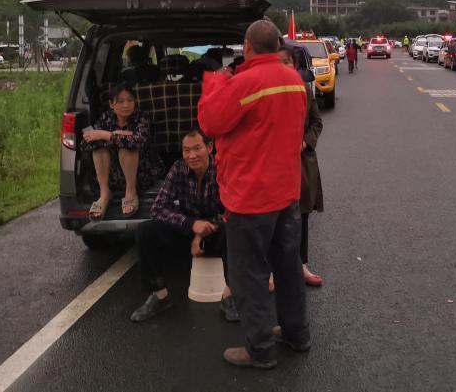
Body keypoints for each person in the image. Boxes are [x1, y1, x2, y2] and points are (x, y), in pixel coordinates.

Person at [198, 19, 311, 369]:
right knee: (288, 268)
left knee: (250, 276)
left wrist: (216, 81)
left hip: (250, 198)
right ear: (277, 46)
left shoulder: (246, 83)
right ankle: (296, 334)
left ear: (247, 47)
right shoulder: (295, 81)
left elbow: (210, 123)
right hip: (287, 193)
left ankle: (260, 349)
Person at [130, 126, 237, 322]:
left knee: (234, 228)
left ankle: (231, 296)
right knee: (145, 231)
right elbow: (158, 207)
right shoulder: (179, 168)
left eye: (197, 148)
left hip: (217, 231)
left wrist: (201, 232)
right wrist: (190, 224)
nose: (191, 155)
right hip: (187, 230)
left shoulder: (223, 168)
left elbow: (232, 210)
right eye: (186, 150)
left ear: (210, 147)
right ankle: (159, 296)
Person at [278, 43, 325, 287]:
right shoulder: (268, 93)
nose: (282, 67)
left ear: (294, 66)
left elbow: (317, 123)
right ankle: (273, 270)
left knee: (302, 214)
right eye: (278, 62)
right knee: (274, 217)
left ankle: (302, 264)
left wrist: (305, 143)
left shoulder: (305, 91)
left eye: (286, 62)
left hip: (301, 163)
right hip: (274, 164)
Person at [82, 82, 151, 218]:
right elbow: (85, 143)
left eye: (130, 100)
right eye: (120, 101)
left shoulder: (142, 117)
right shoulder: (105, 118)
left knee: (127, 147)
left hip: (141, 173)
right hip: (112, 175)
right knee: (99, 148)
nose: (126, 105)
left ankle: (130, 192)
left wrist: (106, 135)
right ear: (111, 104)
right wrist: (119, 134)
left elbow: (138, 141)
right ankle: (104, 193)